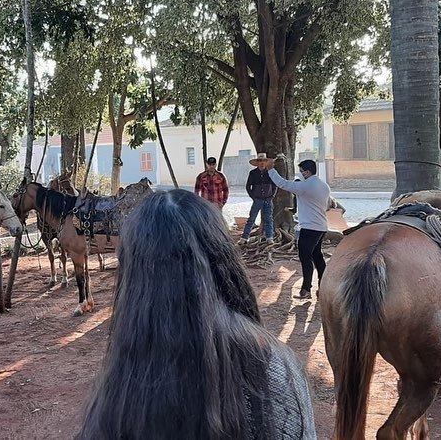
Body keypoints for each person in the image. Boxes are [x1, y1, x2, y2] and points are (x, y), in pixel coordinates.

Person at [77, 189, 317, 440]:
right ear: (224, 258)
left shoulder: (118, 387)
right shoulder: (277, 366)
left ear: (132, 276)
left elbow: (224, 192)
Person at [268, 155, 331, 299]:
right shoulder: (324, 186)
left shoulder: (305, 186)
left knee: (305, 258)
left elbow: (283, 184)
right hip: (321, 227)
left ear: (307, 172)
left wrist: (271, 169)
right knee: (317, 257)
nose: (301, 174)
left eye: (302, 172)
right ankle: (323, 287)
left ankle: (306, 290)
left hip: (309, 228)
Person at [239, 153, 278, 244]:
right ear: (257, 162)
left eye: (264, 161)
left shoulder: (270, 172)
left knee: (268, 219)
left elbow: (274, 185)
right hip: (257, 199)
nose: (262, 163)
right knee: (251, 218)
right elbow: (248, 186)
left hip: (268, 199)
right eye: (260, 161)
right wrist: (253, 197)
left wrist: (272, 196)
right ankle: (244, 237)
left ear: (266, 162)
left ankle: (269, 237)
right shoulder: (253, 173)